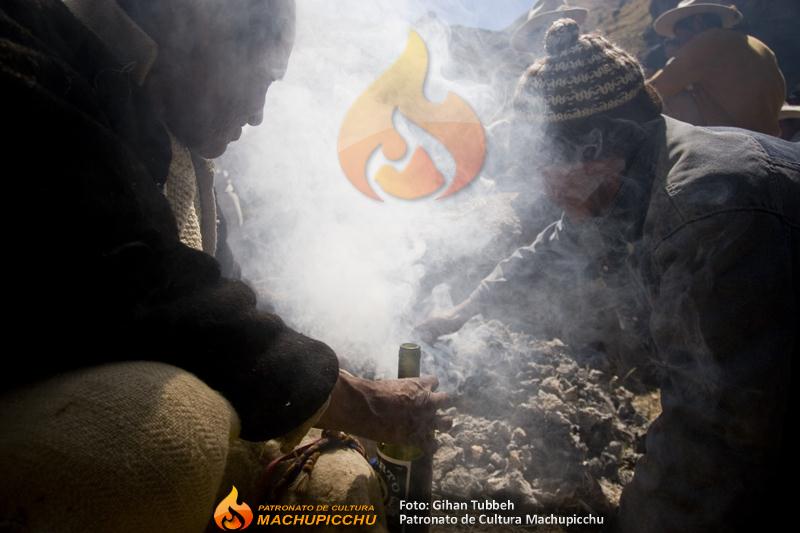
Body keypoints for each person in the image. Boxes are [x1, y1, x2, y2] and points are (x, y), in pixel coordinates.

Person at [0, 0, 445, 530]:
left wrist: (324, 380)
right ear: (204, 32)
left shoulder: (178, 154)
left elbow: (221, 294)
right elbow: (139, 284)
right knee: (171, 432)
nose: (257, 113)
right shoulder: (23, 54)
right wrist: (356, 401)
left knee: (333, 488)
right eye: (262, 79)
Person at [418, 17, 799, 531]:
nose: (541, 188)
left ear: (594, 149)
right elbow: (550, 248)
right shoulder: (630, 176)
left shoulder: (705, 211)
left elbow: (718, 433)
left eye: (542, 166)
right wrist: (463, 311)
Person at [647, 0, 786, 135]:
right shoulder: (753, 42)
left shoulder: (705, 44)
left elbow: (656, 88)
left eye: (679, 33)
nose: (680, 41)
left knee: (663, 99)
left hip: (742, 136)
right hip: (770, 131)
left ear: (697, 22)